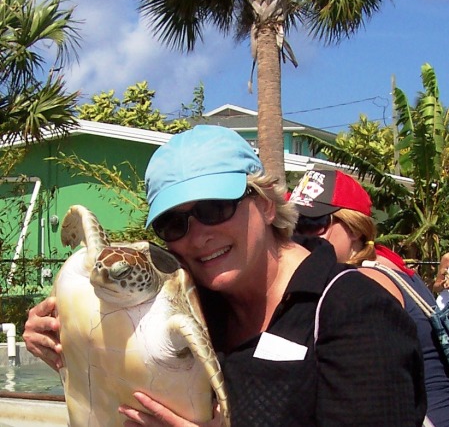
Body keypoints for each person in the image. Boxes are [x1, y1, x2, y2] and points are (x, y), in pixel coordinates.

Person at [24, 125, 426, 427]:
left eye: (216, 208)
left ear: (267, 202)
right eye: (173, 223)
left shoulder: (353, 311)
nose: (198, 235)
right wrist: (58, 334)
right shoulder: (195, 304)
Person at [291, 169, 449, 427]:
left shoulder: (362, 284)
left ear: (354, 228)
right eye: (294, 223)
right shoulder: (389, 263)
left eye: (313, 223)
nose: (301, 235)